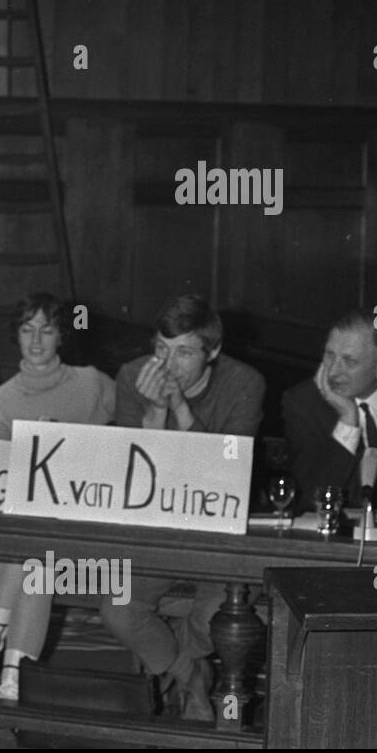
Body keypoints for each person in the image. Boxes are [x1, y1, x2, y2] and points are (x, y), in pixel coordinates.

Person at [0, 293, 114, 700]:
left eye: (47, 330)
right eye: (27, 329)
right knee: (33, 552)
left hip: (86, 519)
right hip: (33, 527)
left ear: (61, 336)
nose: (36, 340)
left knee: (29, 544)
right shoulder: (3, 399)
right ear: (15, 336)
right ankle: (13, 675)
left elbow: (134, 433)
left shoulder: (92, 384)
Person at [104, 294, 265, 721]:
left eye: (184, 352)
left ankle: (175, 666)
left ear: (212, 353)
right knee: (118, 605)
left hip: (219, 532)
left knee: (218, 616)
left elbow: (226, 472)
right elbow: (133, 477)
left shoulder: (244, 383)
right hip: (158, 526)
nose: (167, 364)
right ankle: (192, 676)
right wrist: (155, 414)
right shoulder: (132, 376)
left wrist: (179, 408)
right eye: (161, 348)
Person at [283, 310, 377, 508]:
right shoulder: (303, 403)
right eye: (329, 355)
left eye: (349, 361)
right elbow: (309, 498)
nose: (333, 371)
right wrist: (347, 422)